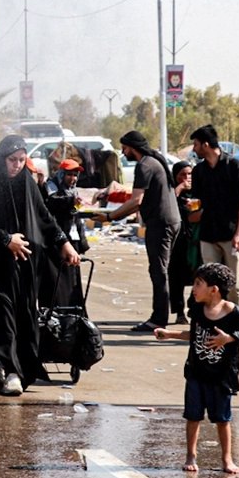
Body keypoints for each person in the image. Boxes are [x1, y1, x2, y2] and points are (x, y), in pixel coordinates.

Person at [0, 135, 80, 396]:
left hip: (24, 267)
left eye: (20, 160)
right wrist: (6, 239)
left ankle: (15, 371)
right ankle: (5, 371)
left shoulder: (27, 184)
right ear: (1, 159)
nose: (16, 165)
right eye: (11, 160)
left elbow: (43, 215)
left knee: (23, 318)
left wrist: (63, 242)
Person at [154, 263, 239, 474]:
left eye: (199, 284)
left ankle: (227, 459)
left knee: (222, 419)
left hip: (222, 375)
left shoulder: (233, 312)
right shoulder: (198, 310)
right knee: (193, 416)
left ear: (214, 289)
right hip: (196, 372)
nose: (194, 288)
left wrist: (228, 338)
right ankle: (191, 455)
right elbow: (193, 334)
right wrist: (169, 334)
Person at [92, 131, 180, 332]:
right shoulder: (152, 162)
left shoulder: (145, 165)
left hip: (161, 223)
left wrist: (109, 217)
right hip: (169, 221)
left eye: (124, 148)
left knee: (159, 271)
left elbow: (136, 201)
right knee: (160, 270)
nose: (123, 153)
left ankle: (159, 319)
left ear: (132, 147)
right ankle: (165, 314)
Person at [189, 124, 239, 304]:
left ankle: (232, 319)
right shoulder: (199, 171)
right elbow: (197, 202)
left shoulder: (234, 167)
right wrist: (193, 212)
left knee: (232, 284)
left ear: (206, 145)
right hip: (208, 234)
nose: (194, 149)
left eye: (196, 144)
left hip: (231, 235)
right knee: (209, 282)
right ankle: (212, 319)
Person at [41, 158, 89, 308]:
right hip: (57, 240)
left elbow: (74, 214)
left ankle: (73, 312)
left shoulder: (73, 190)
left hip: (71, 238)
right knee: (58, 279)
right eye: (69, 175)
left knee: (73, 279)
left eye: (75, 175)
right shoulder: (51, 185)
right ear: (61, 174)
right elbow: (52, 202)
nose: (73, 178)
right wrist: (70, 201)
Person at [168, 161, 199, 326]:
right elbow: (167, 204)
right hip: (177, 240)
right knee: (177, 277)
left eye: (189, 174)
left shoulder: (198, 190)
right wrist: (179, 188)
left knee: (198, 275)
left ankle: (194, 307)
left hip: (195, 240)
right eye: (182, 175)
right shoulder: (172, 192)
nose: (187, 178)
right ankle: (179, 312)